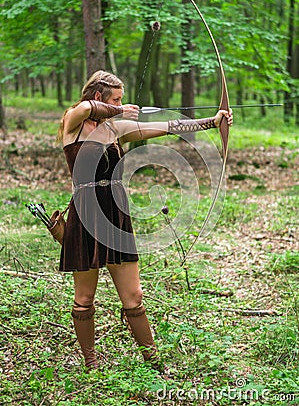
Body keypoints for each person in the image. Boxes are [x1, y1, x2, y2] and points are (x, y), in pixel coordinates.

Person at [57, 70, 233, 372]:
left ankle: (152, 361)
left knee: (134, 295)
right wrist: (118, 110)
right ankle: (91, 363)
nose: (122, 104)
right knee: (85, 296)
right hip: (85, 212)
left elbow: (168, 126)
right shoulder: (72, 123)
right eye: (116, 99)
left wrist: (211, 121)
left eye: (121, 100)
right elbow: (84, 109)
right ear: (99, 97)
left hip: (115, 211)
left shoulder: (115, 129)